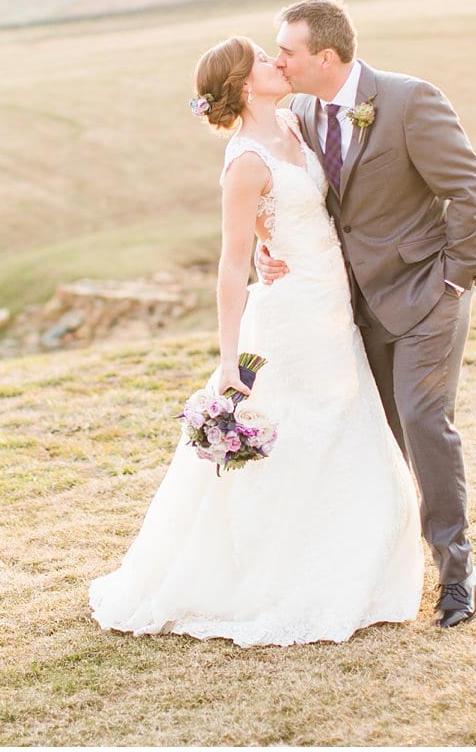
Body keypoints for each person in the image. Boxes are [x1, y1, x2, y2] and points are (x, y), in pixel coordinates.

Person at [88, 36, 423, 647]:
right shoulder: (245, 164)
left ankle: (355, 562)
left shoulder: (295, 123)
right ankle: (279, 578)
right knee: (302, 435)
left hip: (331, 304)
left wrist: (277, 244)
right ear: (245, 85)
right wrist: (226, 360)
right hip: (290, 318)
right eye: (266, 61)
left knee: (343, 425)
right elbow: (229, 265)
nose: (279, 62)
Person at [260, 0, 476, 628]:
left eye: (287, 50)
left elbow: (468, 190)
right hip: (352, 307)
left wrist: (454, 279)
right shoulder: (301, 112)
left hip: (426, 295)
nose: (278, 59)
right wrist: (266, 248)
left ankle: (457, 571)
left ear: (325, 57)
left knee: (423, 422)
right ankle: (384, 568)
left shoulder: (411, 101)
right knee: (382, 438)